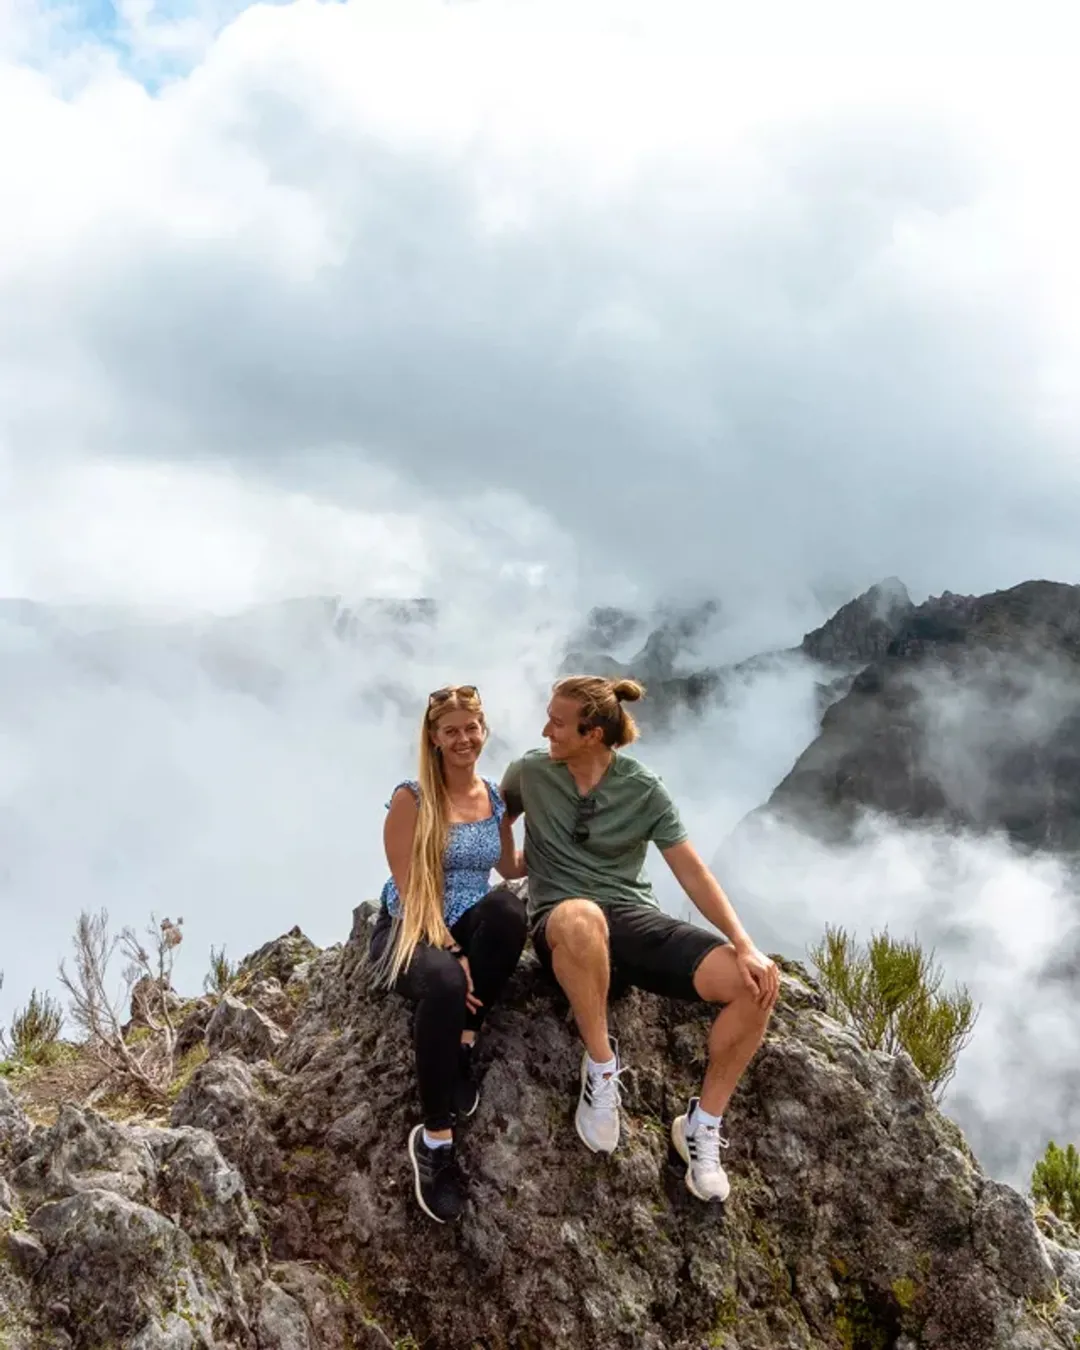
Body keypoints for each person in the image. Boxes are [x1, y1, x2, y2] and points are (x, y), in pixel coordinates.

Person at [500, 675, 780, 1204]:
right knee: (582, 917)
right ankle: (602, 1068)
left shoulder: (643, 788)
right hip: (563, 924)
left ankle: (702, 1126)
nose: (545, 731)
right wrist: (509, 851)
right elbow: (493, 828)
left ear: (593, 734)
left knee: (753, 986)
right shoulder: (529, 772)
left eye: (557, 723)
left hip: (630, 919)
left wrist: (744, 945)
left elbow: (692, 871)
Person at [370, 684, 527, 1224]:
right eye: (451, 731)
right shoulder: (412, 798)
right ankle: (435, 1140)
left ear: (484, 731)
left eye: (471, 728)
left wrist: (571, 838)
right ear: (433, 738)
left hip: (464, 918)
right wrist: (453, 950)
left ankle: (464, 1040)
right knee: (445, 981)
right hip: (410, 927)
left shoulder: (493, 797)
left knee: (508, 911)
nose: (463, 739)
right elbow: (409, 889)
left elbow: (509, 868)